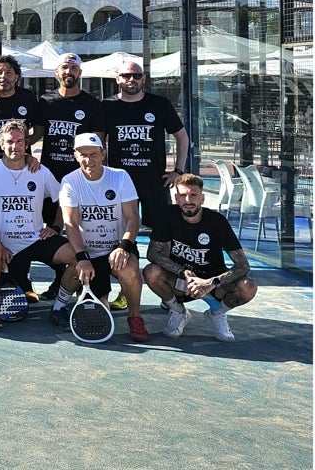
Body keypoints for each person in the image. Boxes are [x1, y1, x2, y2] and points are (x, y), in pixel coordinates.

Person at [55, 133, 149, 341]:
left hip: (118, 247)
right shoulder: (69, 181)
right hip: (88, 251)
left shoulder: (120, 176)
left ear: (103, 154)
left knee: (129, 268)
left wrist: (124, 246)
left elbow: (133, 217)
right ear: (75, 156)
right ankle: (58, 306)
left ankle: (135, 316)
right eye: (83, 155)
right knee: (99, 308)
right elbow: (70, 223)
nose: (89, 160)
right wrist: (82, 258)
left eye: (94, 154)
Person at [143, 174, 256, 342]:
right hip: (182, 283)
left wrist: (211, 282)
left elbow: (243, 266)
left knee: (248, 287)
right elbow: (153, 254)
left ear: (202, 198)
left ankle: (217, 313)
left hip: (214, 284)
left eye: (193, 195)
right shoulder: (167, 216)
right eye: (183, 195)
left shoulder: (217, 221)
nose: (188, 200)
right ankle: (178, 311)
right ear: (176, 198)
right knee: (151, 272)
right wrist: (184, 272)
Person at [0, 121, 73, 300]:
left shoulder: (40, 170)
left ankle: (60, 302)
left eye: (19, 141)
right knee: (22, 296)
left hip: (34, 239)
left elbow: (65, 200)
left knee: (77, 257)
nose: (15, 146)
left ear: (26, 144)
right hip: (5, 246)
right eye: (9, 142)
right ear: (1, 144)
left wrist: (56, 227)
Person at [36, 52, 106, 300]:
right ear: (57, 73)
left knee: (79, 233)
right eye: (64, 67)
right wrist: (22, 154)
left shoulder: (91, 104)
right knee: (48, 235)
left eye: (74, 68)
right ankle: (61, 281)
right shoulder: (45, 101)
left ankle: (85, 287)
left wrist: (95, 174)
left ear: (80, 73)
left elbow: (99, 144)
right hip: (48, 177)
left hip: (79, 179)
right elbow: (35, 133)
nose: (69, 72)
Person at [103, 61, 189, 232]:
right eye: (126, 75)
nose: (131, 79)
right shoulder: (107, 106)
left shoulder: (159, 104)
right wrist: (102, 173)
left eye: (136, 75)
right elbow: (98, 142)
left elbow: (182, 137)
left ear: (143, 79)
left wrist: (178, 171)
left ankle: (158, 259)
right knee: (118, 229)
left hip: (154, 181)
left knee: (161, 231)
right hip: (119, 180)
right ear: (117, 79)